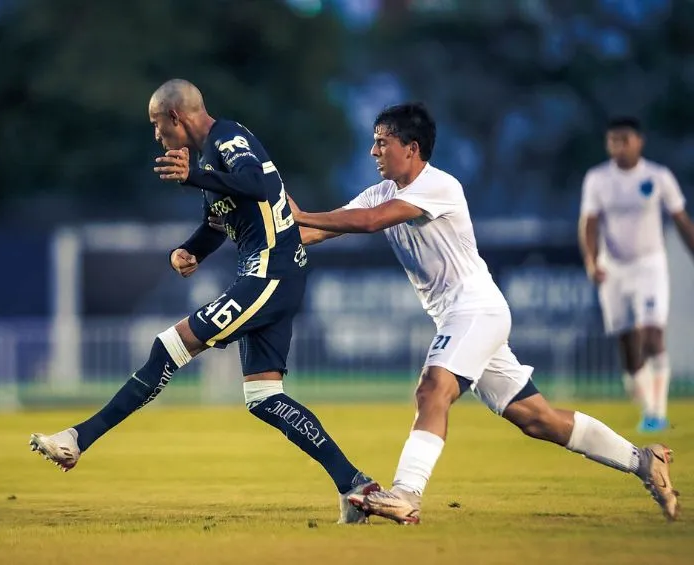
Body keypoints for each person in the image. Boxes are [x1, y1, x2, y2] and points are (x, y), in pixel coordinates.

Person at [289, 103, 679, 524]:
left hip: (474, 309)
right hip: (462, 318)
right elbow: (323, 229)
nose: (373, 151)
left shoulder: (438, 186)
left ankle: (406, 493)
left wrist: (300, 214)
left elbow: (369, 222)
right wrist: (269, 232)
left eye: (382, 142)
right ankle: (644, 460)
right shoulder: (380, 192)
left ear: (412, 148)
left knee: (432, 389)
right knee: (538, 419)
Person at [30, 79, 378, 524]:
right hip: (273, 275)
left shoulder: (226, 138)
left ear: (175, 117)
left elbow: (254, 183)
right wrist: (189, 250)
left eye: (157, 124)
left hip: (268, 274)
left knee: (167, 347)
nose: (157, 135)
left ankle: (77, 439)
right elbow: (217, 224)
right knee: (264, 397)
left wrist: (193, 176)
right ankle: (354, 485)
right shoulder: (211, 160)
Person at [578, 117, 694, 432]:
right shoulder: (598, 179)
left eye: (624, 140)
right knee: (629, 346)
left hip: (649, 265)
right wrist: (591, 261)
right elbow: (589, 223)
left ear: (639, 141)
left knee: (653, 334)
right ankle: (648, 407)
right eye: (613, 140)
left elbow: (681, 219)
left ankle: (657, 412)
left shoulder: (658, 177)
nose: (619, 146)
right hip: (613, 269)